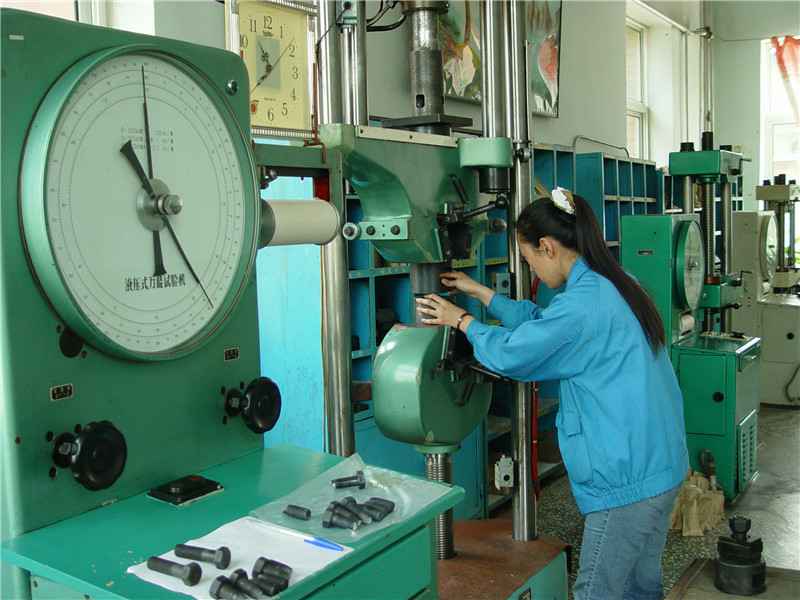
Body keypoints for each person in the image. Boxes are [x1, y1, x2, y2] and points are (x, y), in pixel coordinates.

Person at [416, 188, 689, 600]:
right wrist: (482, 294)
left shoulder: (583, 305)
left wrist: (462, 321)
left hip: (627, 477)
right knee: (639, 587)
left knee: (597, 591)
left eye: (529, 260)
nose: (532, 270)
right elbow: (545, 323)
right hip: (659, 463)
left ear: (547, 247)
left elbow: (514, 354)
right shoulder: (612, 283)